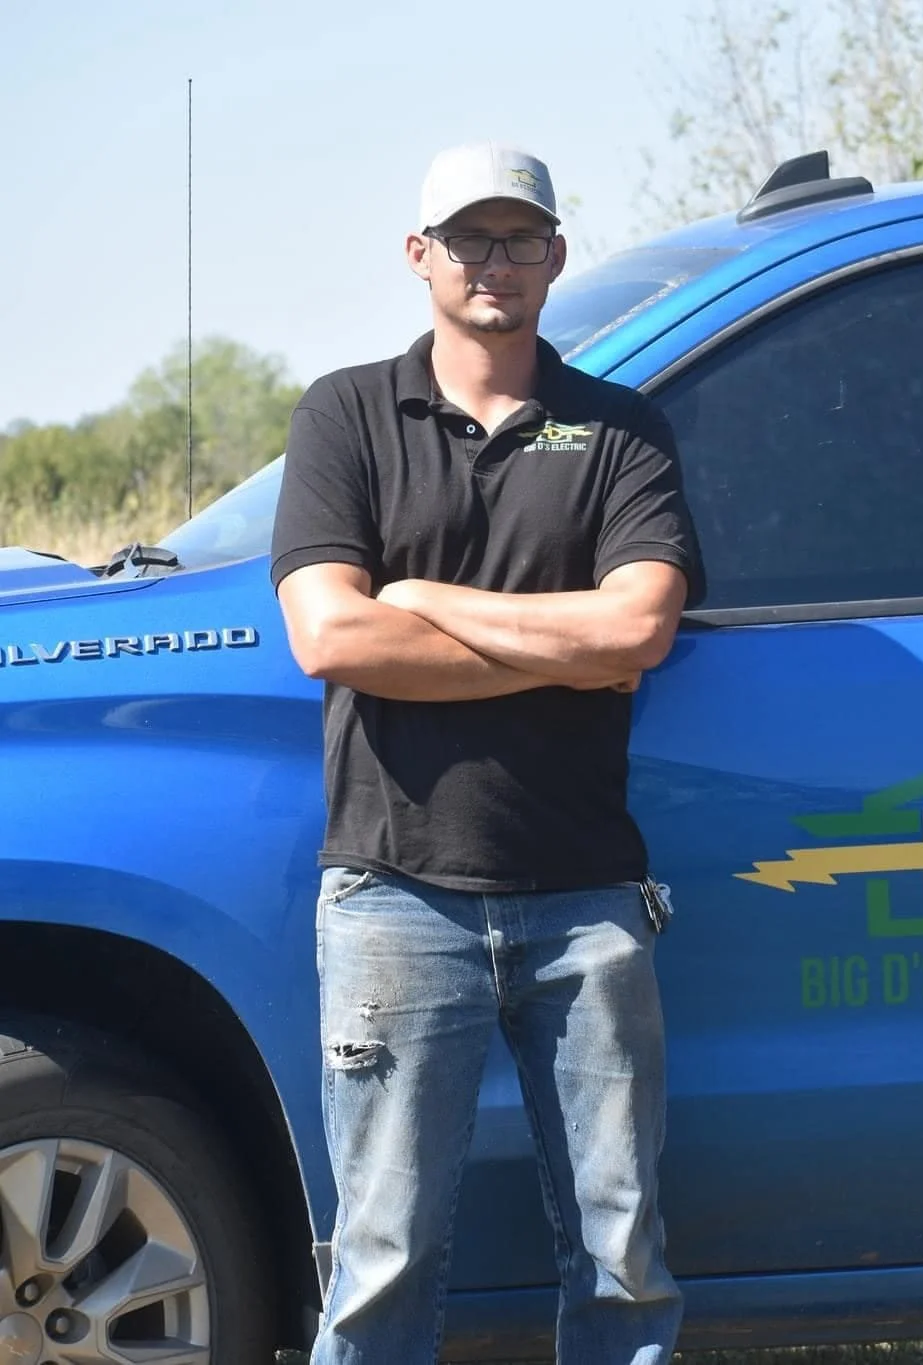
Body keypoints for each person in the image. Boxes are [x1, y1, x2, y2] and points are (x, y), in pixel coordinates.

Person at [271, 141, 703, 1365]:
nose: (494, 262)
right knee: (383, 1257)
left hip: (587, 901)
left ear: (557, 257)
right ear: (420, 258)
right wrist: (562, 650)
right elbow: (330, 636)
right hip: (395, 896)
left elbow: (637, 629)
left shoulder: (620, 433)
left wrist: (423, 597)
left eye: (519, 238)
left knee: (622, 1261)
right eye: (469, 239)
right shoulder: (345, 413)